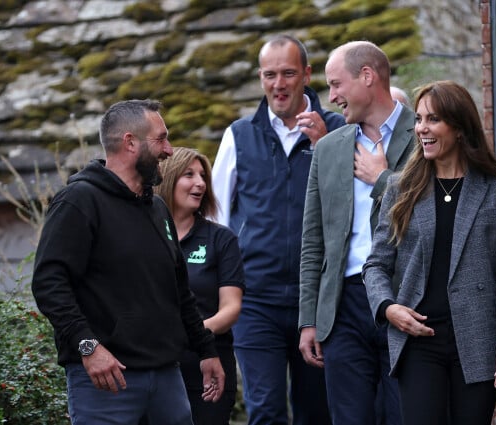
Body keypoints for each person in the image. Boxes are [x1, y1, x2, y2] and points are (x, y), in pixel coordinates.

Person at [31, 99, 225, 425]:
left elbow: (178, 289)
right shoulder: (78, 201)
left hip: (166, 377)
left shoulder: (157, 208)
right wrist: (88, 346)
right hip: (107, 381)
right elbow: (49, 282)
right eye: (161, 138)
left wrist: (206, 349)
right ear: (130, 143)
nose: (168, 149)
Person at [362, 80, 496, 425]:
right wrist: (388, 307)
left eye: (432, 119)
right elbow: (376, 264)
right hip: (417, 340)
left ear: (458, 126)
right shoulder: (400, 187)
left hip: (478, 338)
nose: (421, 128)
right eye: (419, 119)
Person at [211, 34, 345, 425]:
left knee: (316, 414)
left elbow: (358, 203)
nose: (279, 84)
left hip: (320, 302)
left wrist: (325, 145)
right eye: (270, 75)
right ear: (260, 77)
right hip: (256, 301)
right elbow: (215, 217)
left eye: (288, 73)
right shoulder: (239, 135)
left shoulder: (337, 128)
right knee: (265, 411)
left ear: (306, 74)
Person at [299, 40, 414, 425]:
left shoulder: (425, 135)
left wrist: (384, 179)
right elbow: (313, 240)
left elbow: (439, 214)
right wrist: (309, 318)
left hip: (406, 296)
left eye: (335, 85)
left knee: (405, 415)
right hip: (343, 305)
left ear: (367, 76)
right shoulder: (329, 149)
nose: (330, 98)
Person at [154, 147, 245, 425]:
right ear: (168, 179)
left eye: (203, 175)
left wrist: (191, 333)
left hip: (208, 365)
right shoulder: (145, 234)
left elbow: (231, 309)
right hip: (154, 366)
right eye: (189, 175)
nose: (201, 183)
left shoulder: (221, 239)